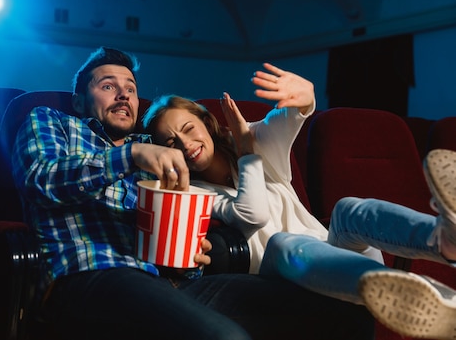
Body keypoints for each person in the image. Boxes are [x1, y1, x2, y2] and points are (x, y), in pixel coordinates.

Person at [11, 47, 375, 340]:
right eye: (108, 85)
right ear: (79, 101)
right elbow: (40, 180)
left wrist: (192, 251)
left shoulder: (155, 145)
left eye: (131, 88)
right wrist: (129, 155)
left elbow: (189, 209)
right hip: (90, 274)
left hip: (170, 282)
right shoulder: (53, 121)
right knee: (225, 336)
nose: (123, 93)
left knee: (344, 315)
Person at [141, 62, 456, 340]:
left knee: (347, 208)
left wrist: (306, 94)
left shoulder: (254, 137)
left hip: (337, 263)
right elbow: (253, 214)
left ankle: (443, 238)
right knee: (281, 242)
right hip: (283, 279)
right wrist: (248, 155)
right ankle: (411, 295)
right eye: (171, 142)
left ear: (206, 123)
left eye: (188, 129)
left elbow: (291, 116)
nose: (185, 144)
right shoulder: (192, 192)